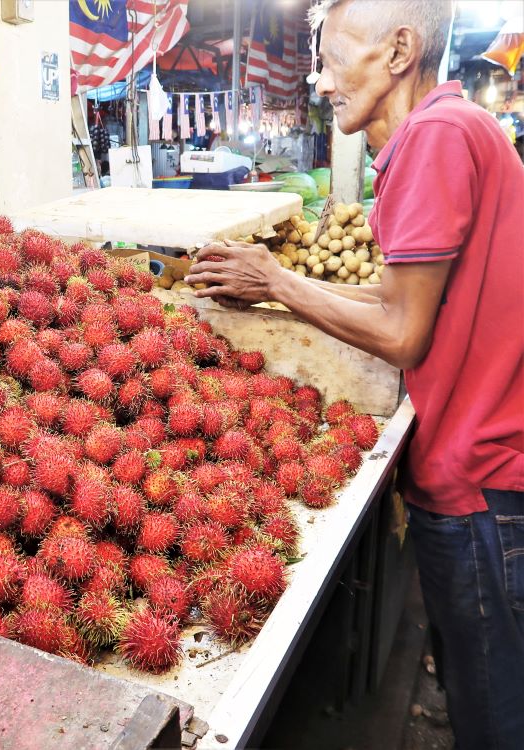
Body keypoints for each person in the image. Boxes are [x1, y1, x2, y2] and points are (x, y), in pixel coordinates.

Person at [185, 1, 524, 747]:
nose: (320, 78)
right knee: (484, 691)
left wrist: (281, 275)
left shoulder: (435, 137)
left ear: (400, 49)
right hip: (489, 473)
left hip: (479, 481)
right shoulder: (455, 128)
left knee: (496, 718)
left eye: (334, 58)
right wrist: (273, 286)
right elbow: (398, 298)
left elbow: (402, 333)